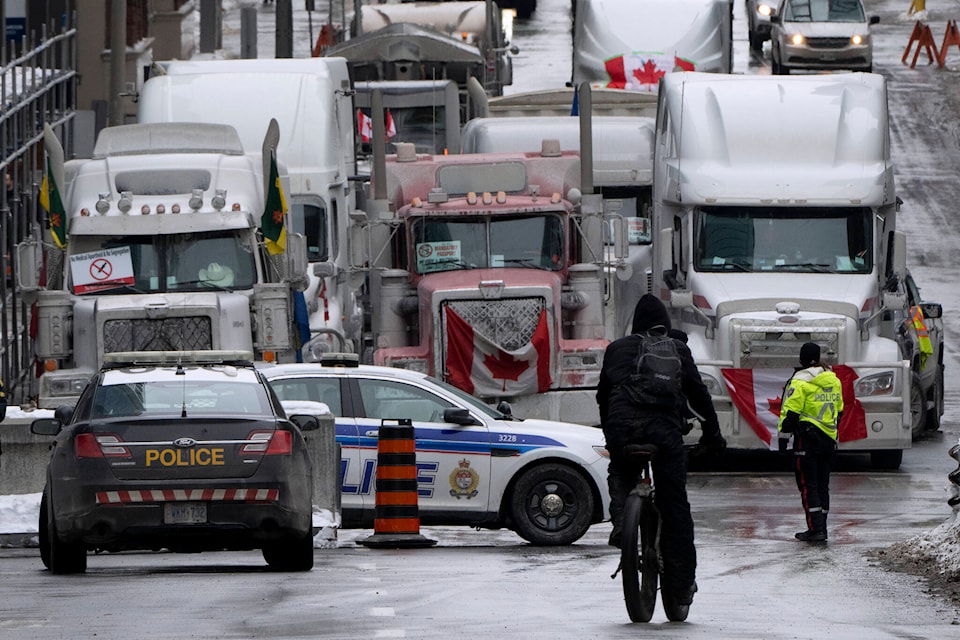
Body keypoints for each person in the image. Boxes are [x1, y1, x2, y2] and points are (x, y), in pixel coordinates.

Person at [596, 294, 725, 606]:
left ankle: (621, 521)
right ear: (665, 325)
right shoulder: (677, 349)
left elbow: (603, 396)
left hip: (622, 427)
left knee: (620, 470)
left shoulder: (616, 348)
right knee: (675, 506)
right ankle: (681, 587)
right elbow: (699, 395)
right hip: (663, 433)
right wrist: (712, 435)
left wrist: (611, 433)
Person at [778, 342, 843, 543]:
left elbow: (790, 414)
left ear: (801, 359)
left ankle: (816, 529)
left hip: (807, 441)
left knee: (808, 486)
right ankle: (821, 525)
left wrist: (783, 440)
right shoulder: (833, 380)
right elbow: (839, 410)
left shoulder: (799, 381)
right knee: (823, 485)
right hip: (828, 439)